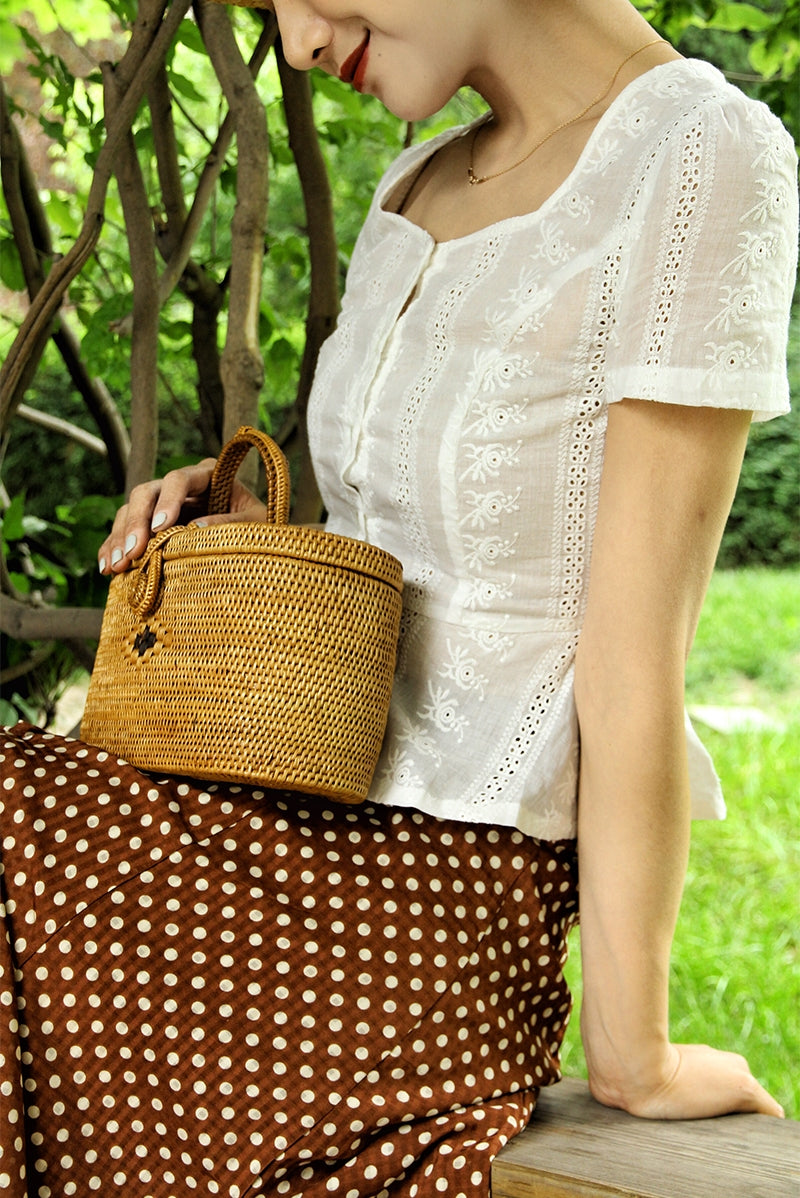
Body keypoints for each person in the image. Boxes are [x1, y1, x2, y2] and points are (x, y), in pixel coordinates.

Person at [2, 0, 797, 1194]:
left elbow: (633, 651)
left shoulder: (697, 154)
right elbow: (398, 565)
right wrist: (246, 547)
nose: (301, 44)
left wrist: (631, 1052)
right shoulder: (413, 180)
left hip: (426, 907)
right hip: (280, 805)